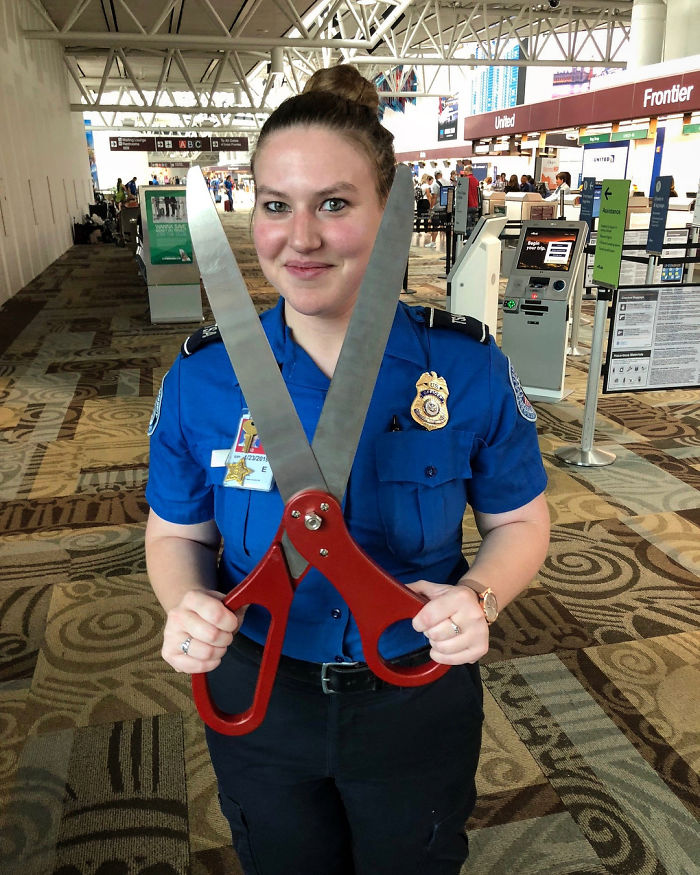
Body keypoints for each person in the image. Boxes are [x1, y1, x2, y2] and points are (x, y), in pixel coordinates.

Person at [145, 63, 550, 875]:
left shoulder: (465, 367)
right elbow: (174, 531)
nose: (300, 238)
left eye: (334, 203)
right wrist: (184, 603)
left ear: (388, 211)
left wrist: (482, 594)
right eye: (275, 205)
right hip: (259, 691)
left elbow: (519, 520)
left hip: (415, 686)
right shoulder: (202, 377)